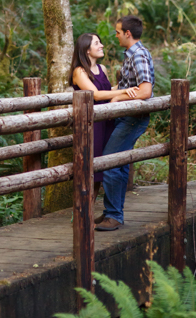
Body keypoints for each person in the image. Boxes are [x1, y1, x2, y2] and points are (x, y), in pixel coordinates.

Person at [95, 14, 155, 231]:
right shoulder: (131, 55)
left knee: (110, 162)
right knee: (118, 165)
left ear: (127, 33)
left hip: (133, 118)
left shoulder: (138, 55)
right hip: (126, 116)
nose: (116, 35)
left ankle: (114, 215)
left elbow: (145, 91)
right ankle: (113, 212)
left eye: (118, 32)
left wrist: (118, 98)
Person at [69, 33, 125, 207]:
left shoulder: (102, 69)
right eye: (97, 43)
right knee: (90, 169)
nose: (101, 45)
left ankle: (90, 211)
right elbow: (97, 94)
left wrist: (126, 88)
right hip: (91, 126)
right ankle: (83, 213)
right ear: (86, 50)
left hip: (106, 122)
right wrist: (125, 91)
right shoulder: (79, 72)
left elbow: (108, 89)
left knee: (102, 170)